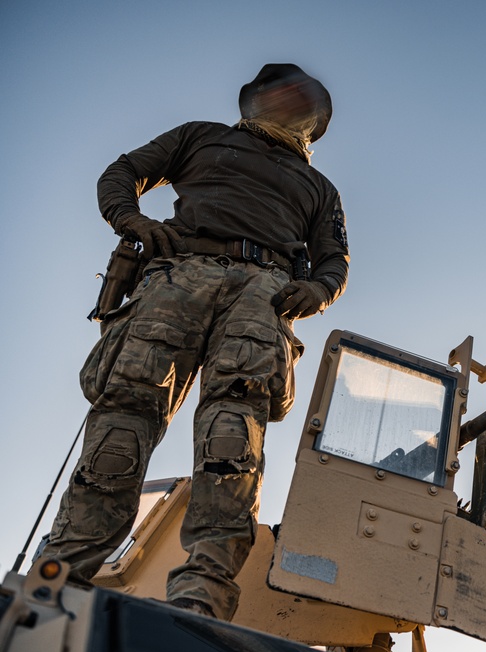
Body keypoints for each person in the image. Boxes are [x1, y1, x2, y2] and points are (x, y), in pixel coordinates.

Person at [38, 64, 349, 621]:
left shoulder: (319, 189)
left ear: (313, 119)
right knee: (123, 414)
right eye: (277, 87)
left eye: (299, 92)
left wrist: (317, 290)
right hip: (179, 274)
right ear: (254, 100)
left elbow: (334, 260)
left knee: (234, 431)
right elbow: (124, 171)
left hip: (264, 295)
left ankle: (201, 596)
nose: (286, 94)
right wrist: (129, 219)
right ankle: (58, 577)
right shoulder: (200, 136)